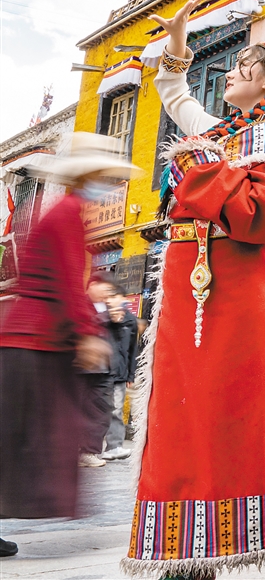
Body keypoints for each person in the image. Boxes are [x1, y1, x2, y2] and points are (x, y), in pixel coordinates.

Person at [123, 0, 265, 580]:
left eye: (243, 67)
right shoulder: (217, 133)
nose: (229, 73)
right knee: (187, 407)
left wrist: (200, 170)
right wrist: (178, 44)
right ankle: (192, 547)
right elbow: (174, 94)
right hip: (187, 287)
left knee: (259, 408)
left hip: (242, 287)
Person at [0, 133, 133, 524]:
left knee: (17, 438)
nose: (108, 185)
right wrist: (88, 333)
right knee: (22, 437)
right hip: (33, 340)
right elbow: (69, 282)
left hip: (31, 337)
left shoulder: (63, 211)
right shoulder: (68, 213)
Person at [80, 272, 118, 467]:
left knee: (101, 412)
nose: (107, 294)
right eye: (106, 288)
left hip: (104, 370)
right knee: (76, 411)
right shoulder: (80, 303)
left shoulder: (111, 308)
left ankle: (89, 452)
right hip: (81, 368)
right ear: (93, 284)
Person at [102, 285, 139, 460]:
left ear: (123, 298)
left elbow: (133, 349)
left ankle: (114, 446)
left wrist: (131, 374)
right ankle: (91, 447)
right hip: (101, 372)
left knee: (116, 411)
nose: (110, 300)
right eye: (108, 297)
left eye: (114, 296)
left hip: (120, 374)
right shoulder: (102, 317)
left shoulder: (130, 320)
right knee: (98, 410)